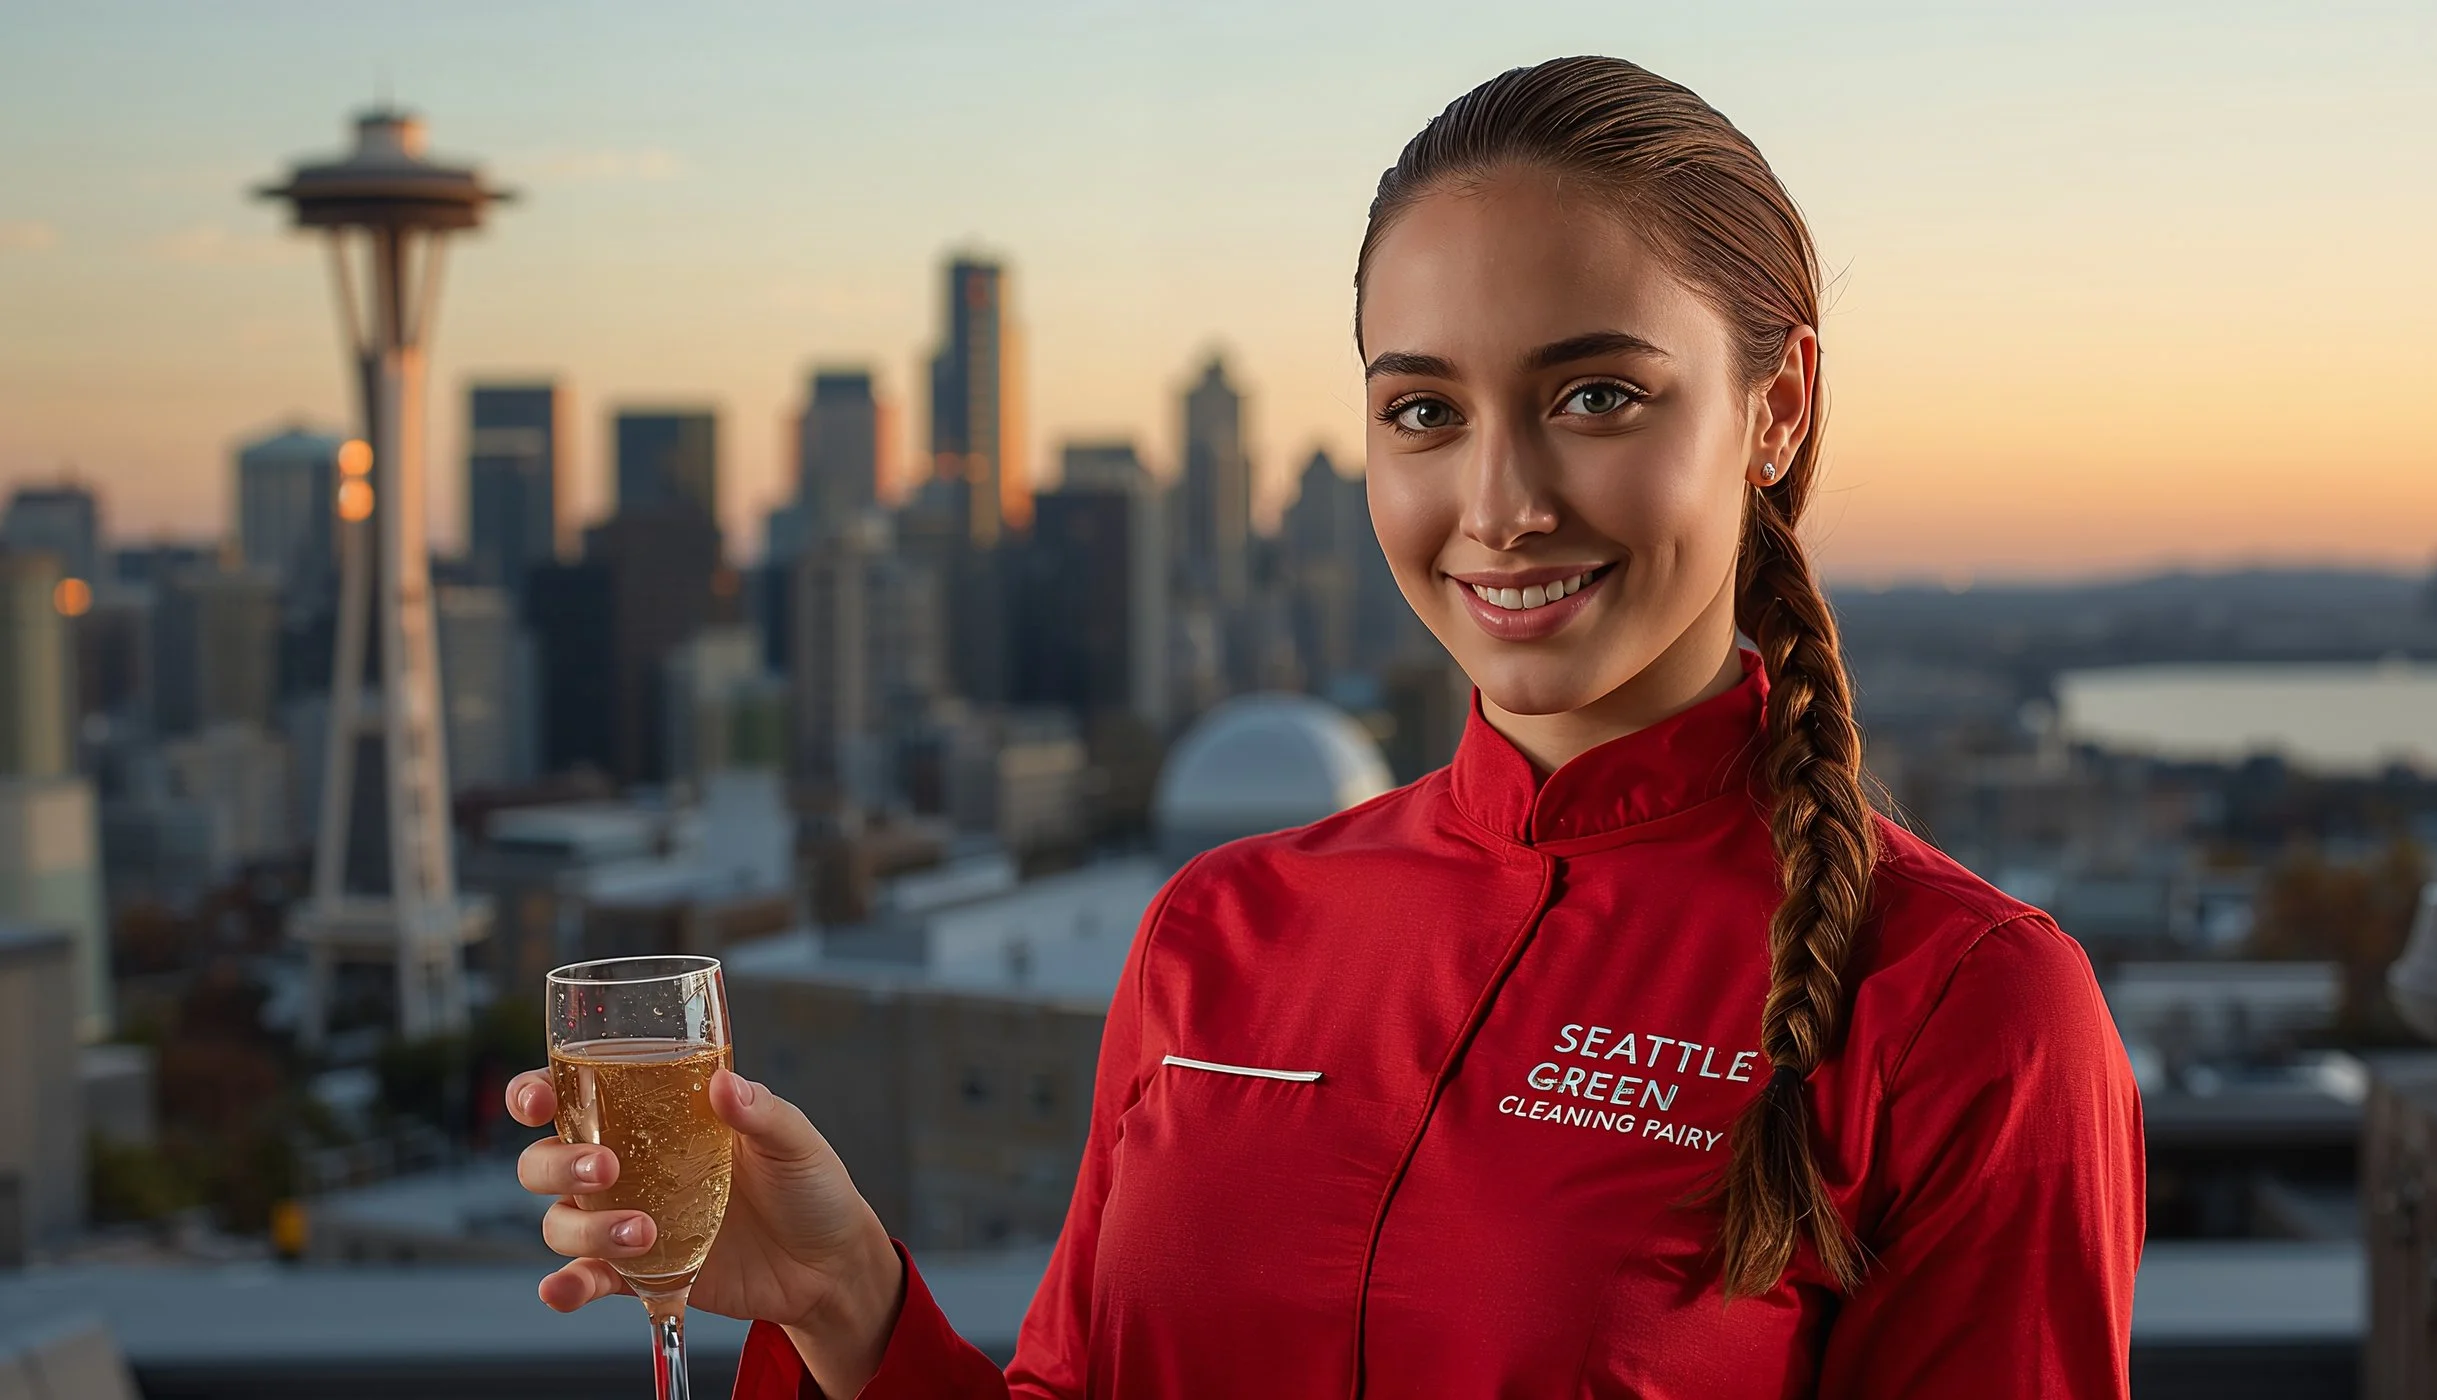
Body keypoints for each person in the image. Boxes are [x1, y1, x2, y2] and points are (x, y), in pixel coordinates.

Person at [509, 55, 2143, 1399]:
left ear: (1774, 409)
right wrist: (848, 1303)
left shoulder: (1964, 1009)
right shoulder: (1218, 933)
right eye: (1424, 411)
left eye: (1597, 396)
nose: (1497, 505)